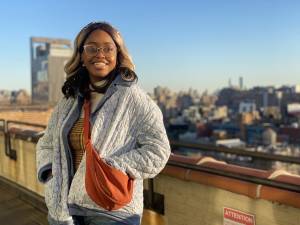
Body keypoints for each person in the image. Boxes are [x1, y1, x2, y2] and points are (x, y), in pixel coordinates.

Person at [36, 21, 171, 225]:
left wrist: (113, 168)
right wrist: (52, 174)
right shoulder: (69, 100)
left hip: (112, 209)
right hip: (64, 209)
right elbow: (47, 142)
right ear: (81, 55)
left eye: (108, 48)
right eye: (92, 48)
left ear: (118, 55)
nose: (100, 54)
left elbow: (158, 150)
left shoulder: (134, 98)